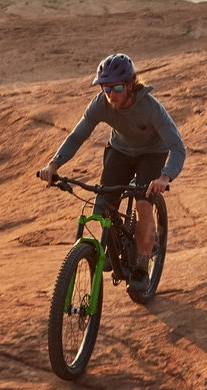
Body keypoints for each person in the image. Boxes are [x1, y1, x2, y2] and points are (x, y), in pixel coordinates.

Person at [39, 53, 186, 283]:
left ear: (130, 84)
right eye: (105, 88)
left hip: (152, 153)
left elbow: (177, 147)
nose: (110, 94)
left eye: (116, 87)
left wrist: (165, 177)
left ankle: (142, 264)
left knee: (143, 203)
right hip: (120, 150)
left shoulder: (150, 108)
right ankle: (114, 243)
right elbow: (78, 136)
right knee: (103, 204)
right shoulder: (101, 104)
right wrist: (54, 164)